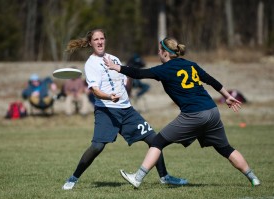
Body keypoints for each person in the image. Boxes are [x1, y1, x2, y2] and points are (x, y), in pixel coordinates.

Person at [104, 37, 261, 188]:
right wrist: (227, 96)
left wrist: (116, 67)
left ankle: (137, 178)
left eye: (159, 50)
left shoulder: (165, 69)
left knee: (158, 142)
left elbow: (139, 74)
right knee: (225, 148)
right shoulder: (191, 65)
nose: (158, 53)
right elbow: (212, 80)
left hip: (194, 114)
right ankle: (253, 178)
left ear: (165, 52)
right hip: (212, 111)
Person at [61, 29, 188, 190]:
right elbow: (95, 91)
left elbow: (124, 79)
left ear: (105, 40)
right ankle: (73, 177)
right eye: (96, 39)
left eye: (102, 38)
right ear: (90, 42)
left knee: (154, 140)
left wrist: (128, 83)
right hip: (106, 110)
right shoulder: (90, 64)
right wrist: (109, 97)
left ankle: (164, 177)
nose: (100, 42)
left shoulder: (114, 58)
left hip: (127, 111)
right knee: (97, 147)